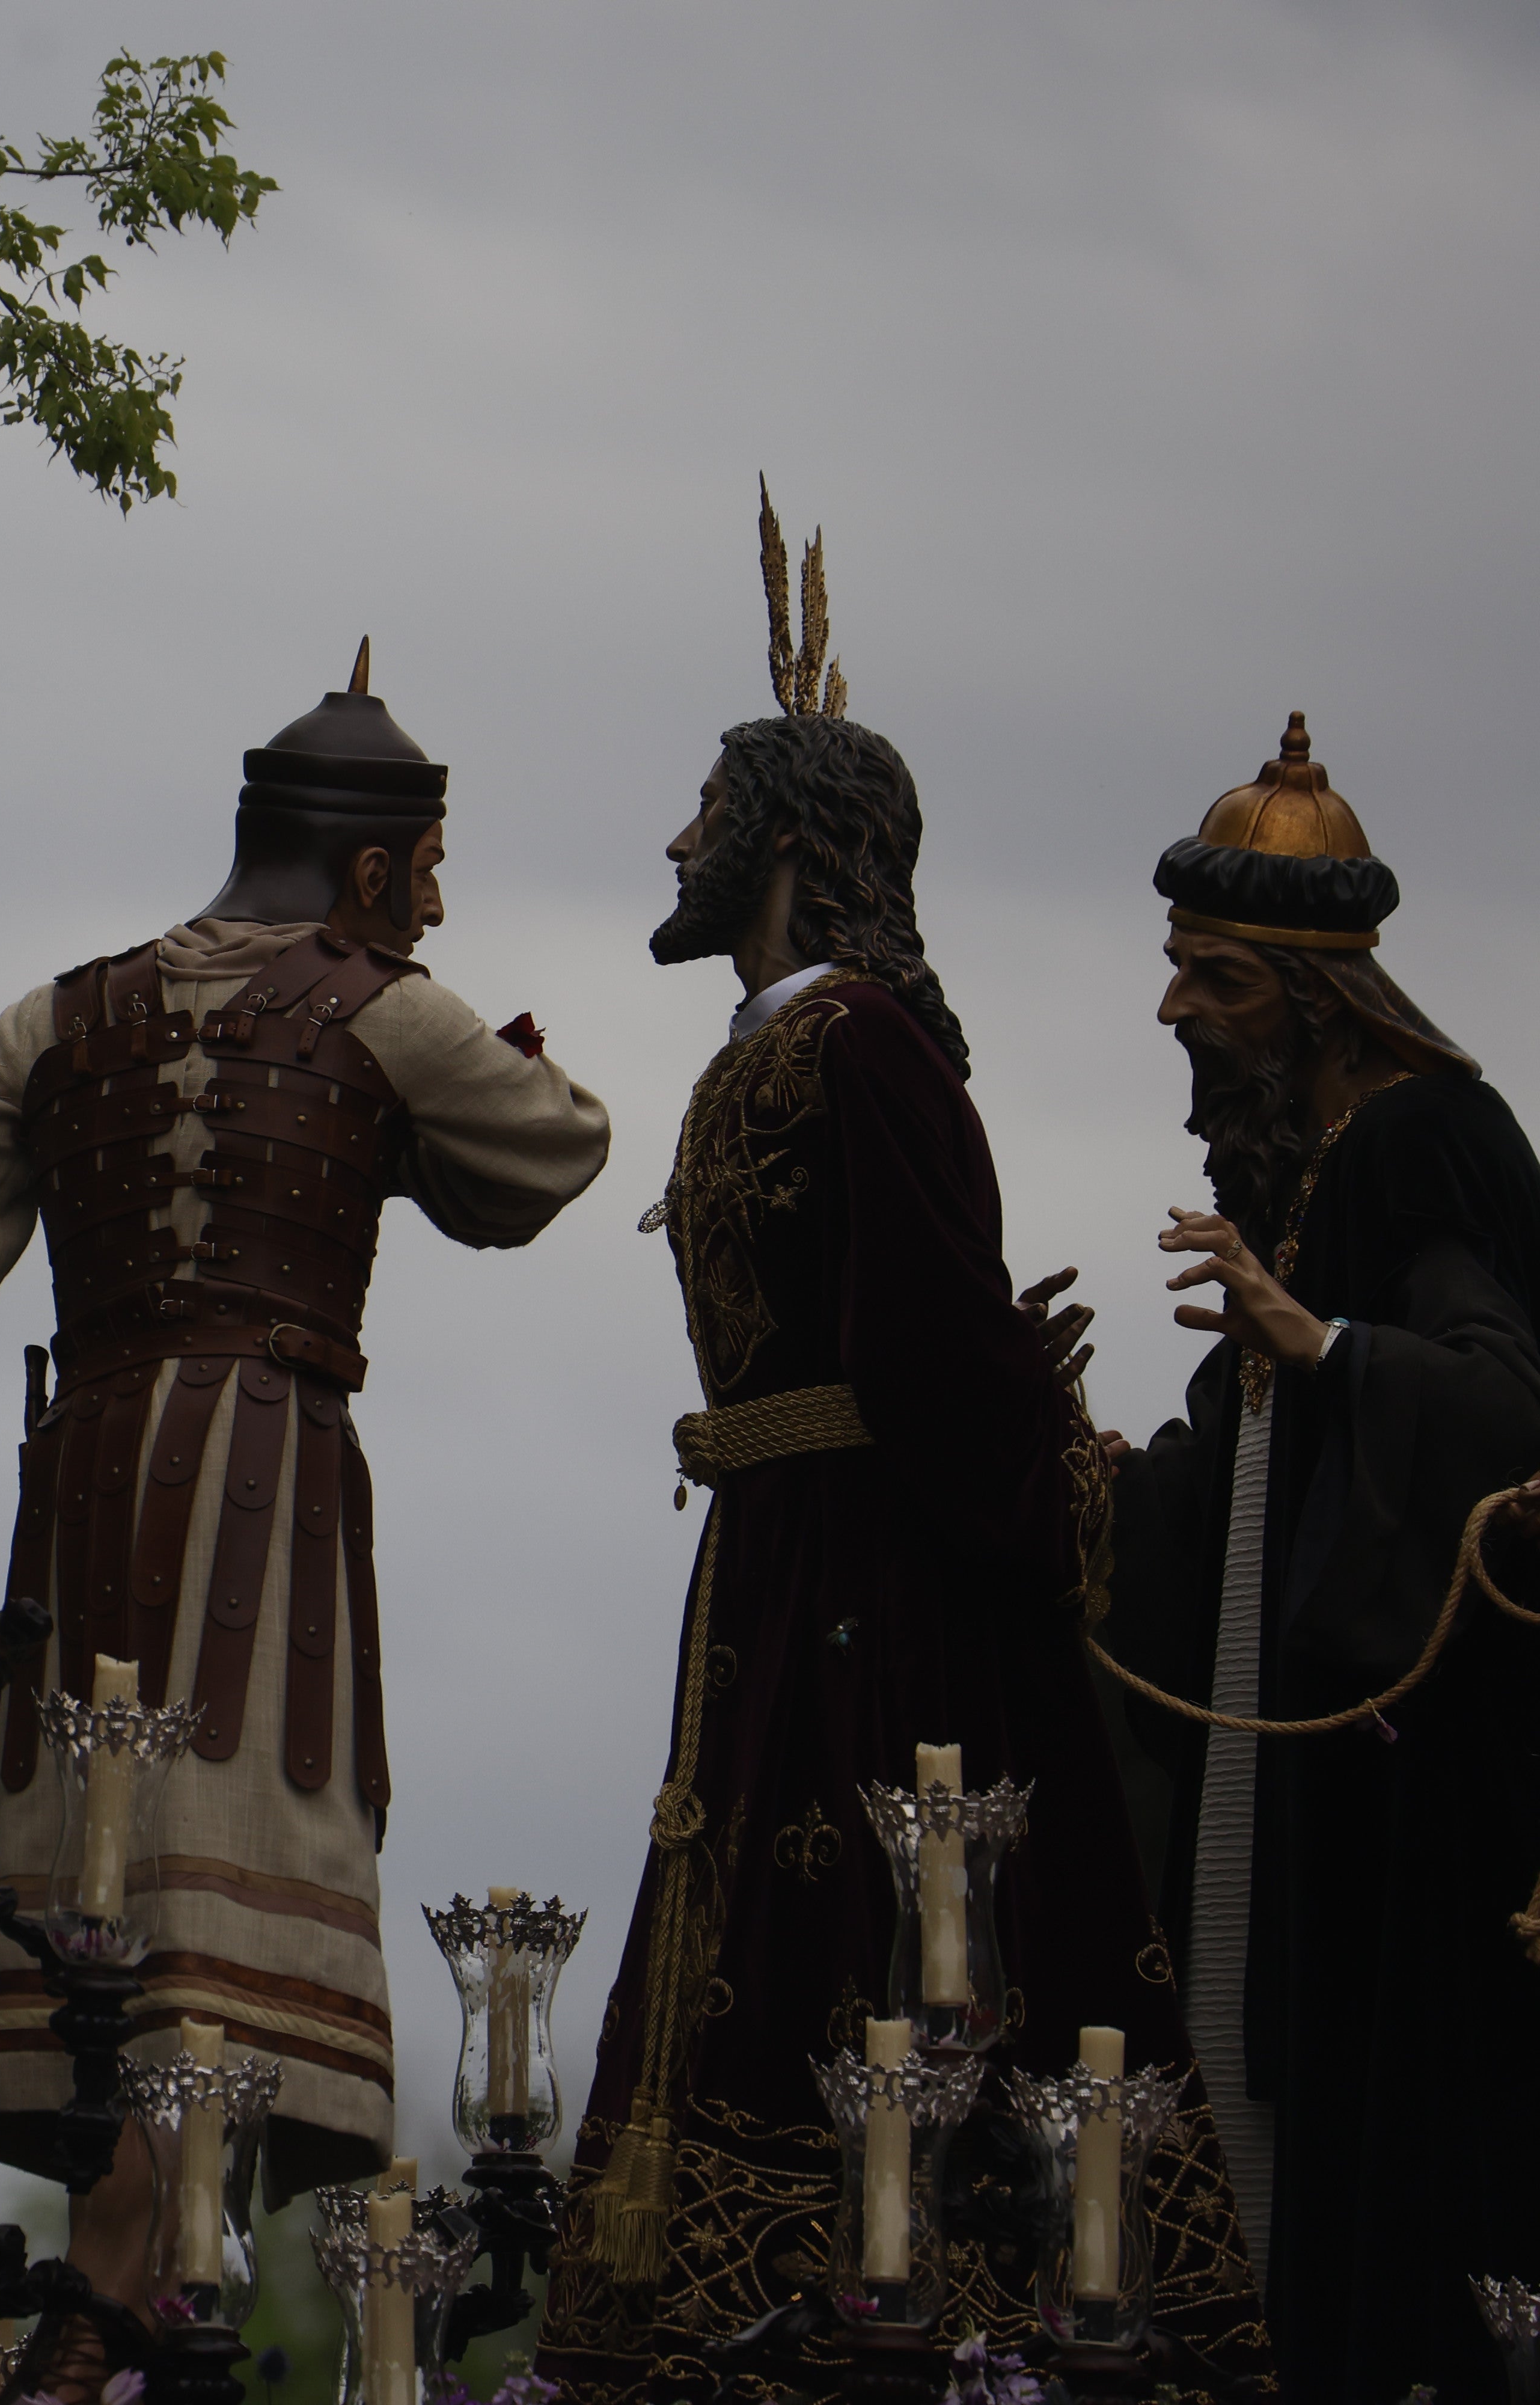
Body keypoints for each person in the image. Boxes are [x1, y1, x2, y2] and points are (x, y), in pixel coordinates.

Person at [536, 510, 1264, 2398]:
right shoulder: (776, 1051)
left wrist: (1059, 1480)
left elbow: (938, 1352)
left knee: (862, 1956)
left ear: (785, 840)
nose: (676, 844)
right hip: (788, 1572)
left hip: (879, 1603)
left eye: (704, 811)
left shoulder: (865, 1050)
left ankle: (907, 2303)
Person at [0, 645, 610, 2304]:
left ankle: (123, 2294)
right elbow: (554, 1143)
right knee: (211, 1997)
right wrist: (396, 1114)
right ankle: (136, 2313)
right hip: (271, 1512)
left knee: (114, 1966)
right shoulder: (388, 1008)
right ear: (378, 867)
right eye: (433, 880)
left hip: (91, 1497)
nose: (438, 915)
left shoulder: (64, 1012)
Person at [1098, 712, 1540, 2403]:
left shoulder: (1431, 1144)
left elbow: (1504, 1403)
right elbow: (1242, 1490)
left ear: (1308, 996)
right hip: (1300, 1794)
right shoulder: (1300, 1177)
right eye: (1175, 969)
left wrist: (1332, 1342)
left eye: (1211, 979)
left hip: (1416, 1809)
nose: (1174, 1012)